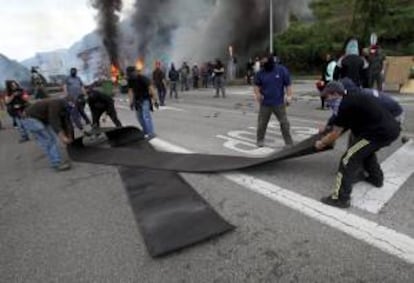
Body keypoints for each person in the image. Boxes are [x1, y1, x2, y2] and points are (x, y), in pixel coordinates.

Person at [315, 81, 400, 208]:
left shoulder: (345, 106)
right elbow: (337, 120)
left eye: (326, 97)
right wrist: (327, 127)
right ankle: (376, 178)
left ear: (335, 94)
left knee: (347, 159)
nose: (326, 101)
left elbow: (335, 134)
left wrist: (321, 143)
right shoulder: (350, 97)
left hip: (377, 133)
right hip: (388, 129)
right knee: (365, 152)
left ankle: (341, 198)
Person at [21, 98, 73, 171]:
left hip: (41, 118)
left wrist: (69, 136)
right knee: (49, 140)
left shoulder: (64, 108)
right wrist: (63, 137)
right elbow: (54, 121)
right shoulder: (55, 104)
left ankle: (56, 160)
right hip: (30, 119)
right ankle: (56, 164)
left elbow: (66, 122)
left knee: (53, 139)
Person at [254, 56, 294, 148]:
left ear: (271, 62)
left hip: (279, 103)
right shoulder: (260, 73)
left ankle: (289, 143)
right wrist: (258, 94)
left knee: (284, 123)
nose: (263, 65)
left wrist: (289, 97)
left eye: (265, 63)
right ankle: (260, 140)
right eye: (262, 63)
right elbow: (256, 85)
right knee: (262, 123)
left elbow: (288, 85)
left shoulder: (281, 70)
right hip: (265, 103)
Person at [127, 66, 157, 139]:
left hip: (145, 99)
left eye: (131, 73)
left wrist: (155, 100)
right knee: (139, 117)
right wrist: (131, 102)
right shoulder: (130, 80)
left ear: (135, 72)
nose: (131, 75)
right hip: (137, 100)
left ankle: (151, 133)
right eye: (129, 74)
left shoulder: (142, 78)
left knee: (146, 116)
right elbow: (130, 91)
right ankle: (145, 131)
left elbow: (151, 88)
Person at [63, 67, 91, 132]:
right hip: (72, 98)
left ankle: (87, 121)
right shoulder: (67, 78)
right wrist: (67, 95)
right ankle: (79, 124)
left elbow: (82, 86)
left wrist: (85, 94)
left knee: (81, 110)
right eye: (72, 71)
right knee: (74, 111)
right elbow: (64, 87)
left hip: (80, 97)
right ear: (70, 72)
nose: (73, 72)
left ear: (76, 72)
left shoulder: (78, 78)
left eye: (74, 71)